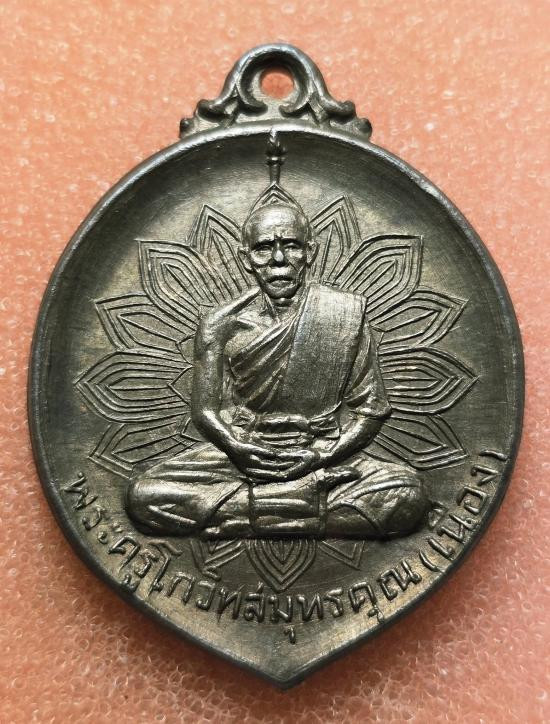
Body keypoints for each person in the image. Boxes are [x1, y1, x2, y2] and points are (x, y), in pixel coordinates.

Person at [126, 201, 429, 539]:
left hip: (321, 452)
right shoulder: (220, 324)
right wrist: (236, 446)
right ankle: (306, 508)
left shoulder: (343, 313)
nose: (279, 259)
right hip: (246, 453)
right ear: (245, 258)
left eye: (292, 246)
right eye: (264, 249)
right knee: (143, 496)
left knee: (408, 495)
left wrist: (320, 455)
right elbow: (205, 412)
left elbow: (371, 411)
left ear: (310, 252)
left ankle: (247, 514)